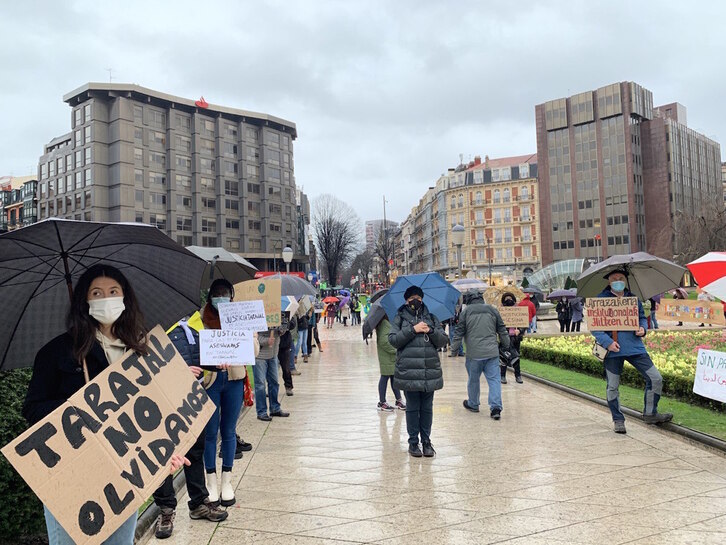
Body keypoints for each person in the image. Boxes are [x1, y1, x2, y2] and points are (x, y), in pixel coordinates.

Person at [22, 264, 190, 545]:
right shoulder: (57, 352)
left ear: (125, 298)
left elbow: (159, 409)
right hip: (72, 479)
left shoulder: (142, 348)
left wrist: (168, 450)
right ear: (84, 302)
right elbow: (33, 409)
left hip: (123, 479)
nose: (105, 299)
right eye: (96, 293)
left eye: (113, 291)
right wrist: (78, 409)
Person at [152, 317, 229, 538]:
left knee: (196, 451)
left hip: (192, 402)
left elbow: (202, 359)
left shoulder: (195, 327)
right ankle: (166, 509)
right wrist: (178, 372)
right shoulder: (151, 331)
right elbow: (145, 367)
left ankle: (198, 503)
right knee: (163, 456)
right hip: (162, 403)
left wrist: (218, 362)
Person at [593, 269, 673, 434]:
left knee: (656, 378)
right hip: (613, 350)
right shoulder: (600, 300)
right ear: (608, 281)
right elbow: (595, 327)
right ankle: (618, 420)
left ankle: (651, 413)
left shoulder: (633, 299)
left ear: (626, 280)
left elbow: (642, 317)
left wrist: (643, 328)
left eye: (621, 278)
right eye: (614, 279)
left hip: (635, 347)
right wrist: (608, 343)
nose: (618, 281)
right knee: (613, 386)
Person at [201, 279, 259, 507]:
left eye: (225, 294)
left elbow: (253, 351)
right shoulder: (201, 319)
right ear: (210, 297)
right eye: (217, 294)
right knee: (209, 431)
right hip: (210, 381)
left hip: (234, 379)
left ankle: (227, 480)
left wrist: (244, 332)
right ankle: (210, 482)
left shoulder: (240, 317)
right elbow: (196, 348)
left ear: (232, 297)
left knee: (229, 430)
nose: (221, 298)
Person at [388, 285, 448, 458]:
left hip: (429, 370)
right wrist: (412, 330)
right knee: (413, 408)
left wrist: (429, 329)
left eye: (419, 298)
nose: (416, 301)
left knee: (427, 408)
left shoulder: (431, 317)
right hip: (409, 371)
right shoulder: (399, 318)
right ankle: (413, 442)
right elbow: (393, 340)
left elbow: (443, 340)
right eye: (411, 299)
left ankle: (427, 441)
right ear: (406, 301)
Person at [452, 291, 510, 419]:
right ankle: (495, 408)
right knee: (494, 380)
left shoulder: (465, 312)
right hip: (492, 352)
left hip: (474, 354)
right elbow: (501, 328)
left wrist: (454, 350)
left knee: (473, 379)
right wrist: (506, 344)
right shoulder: (492, 310)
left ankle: (473, 404)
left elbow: (459, 332)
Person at [255, 322, 291, 421]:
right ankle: (261, 411)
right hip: (260, 356)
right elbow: (253, 335)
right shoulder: (256, 314)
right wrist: (267, 341)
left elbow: (281, 331)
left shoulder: (276, 314)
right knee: (260, 385)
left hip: (273, 354)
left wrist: (281, 331)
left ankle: (275, 408)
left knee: (274, 382)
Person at [375, 316, 406, 412]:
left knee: (394, 378)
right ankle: (382, 402)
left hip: (391, 358)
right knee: (384, 378)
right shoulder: (384, 324)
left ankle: (399, 400)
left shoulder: (387, 323)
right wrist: (395, 349)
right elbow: (383, 341)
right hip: (387, 357)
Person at [499, 293, 523, 384]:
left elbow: (524, 323)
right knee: (504, 357)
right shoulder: (501, 311)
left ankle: (518, 375)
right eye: (506, 298)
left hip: (515, 337)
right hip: (505, 337)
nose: (508, 300)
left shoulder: (518, 310)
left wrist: (520, 330)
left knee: (516, 357)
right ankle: (502, 376)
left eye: (510, 298)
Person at [278, 311, 296, 396]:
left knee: (286, 368)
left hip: (284, 344)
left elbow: (293, 324)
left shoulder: (287, 310)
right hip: (271, 345)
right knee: (271, 370)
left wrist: (286, 326)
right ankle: (271, 387)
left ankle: (288, 386)